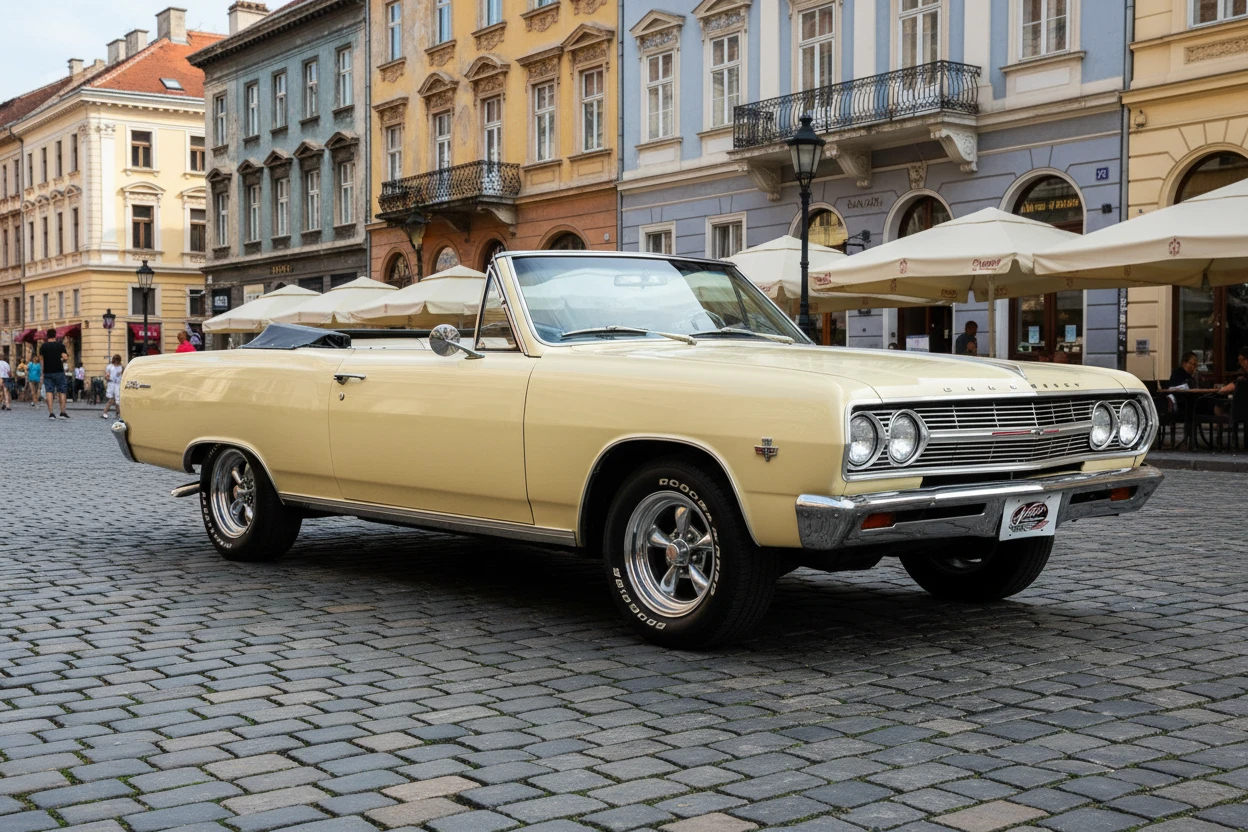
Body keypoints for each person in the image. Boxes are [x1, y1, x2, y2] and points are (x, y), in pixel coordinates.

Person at [39, 329, 70, 419]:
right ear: (55, 335)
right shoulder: (60, 346)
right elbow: (65, 357)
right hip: (59, 371)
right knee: (62, 391)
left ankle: (51, 413)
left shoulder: (43, 346)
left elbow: (41, 361)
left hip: (48, 372)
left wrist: (42, 372)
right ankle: (62, 412)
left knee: (49, 391)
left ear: (47, 336)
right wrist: (61, 359)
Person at [102, 354, 123, 419]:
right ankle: (105, 412)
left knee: (117, 399)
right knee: (111, 399)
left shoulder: (121, 367)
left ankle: (117, 413)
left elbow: (123, 374)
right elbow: (106, 375)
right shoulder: (110, 366)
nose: (116, 362)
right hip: (111, 384)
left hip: (118, 384)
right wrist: (107, 377)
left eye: (117, 360)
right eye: (115, 360)